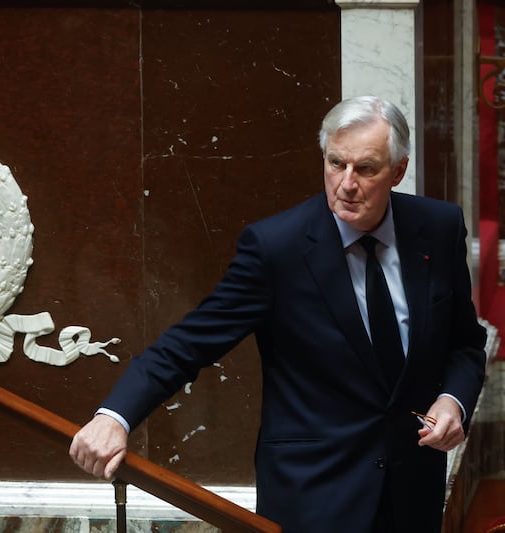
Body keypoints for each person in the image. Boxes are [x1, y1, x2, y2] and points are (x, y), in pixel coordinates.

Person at [69, 96, 488, 532]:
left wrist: (452, 400)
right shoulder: (277, 248)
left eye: (365, 168)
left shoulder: (438, 228)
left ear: (398, 171)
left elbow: (464, 341)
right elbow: (189, 343)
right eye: (335, 163)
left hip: (411, 493)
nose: (346, 183)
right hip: (312, 496)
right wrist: (114, 417)